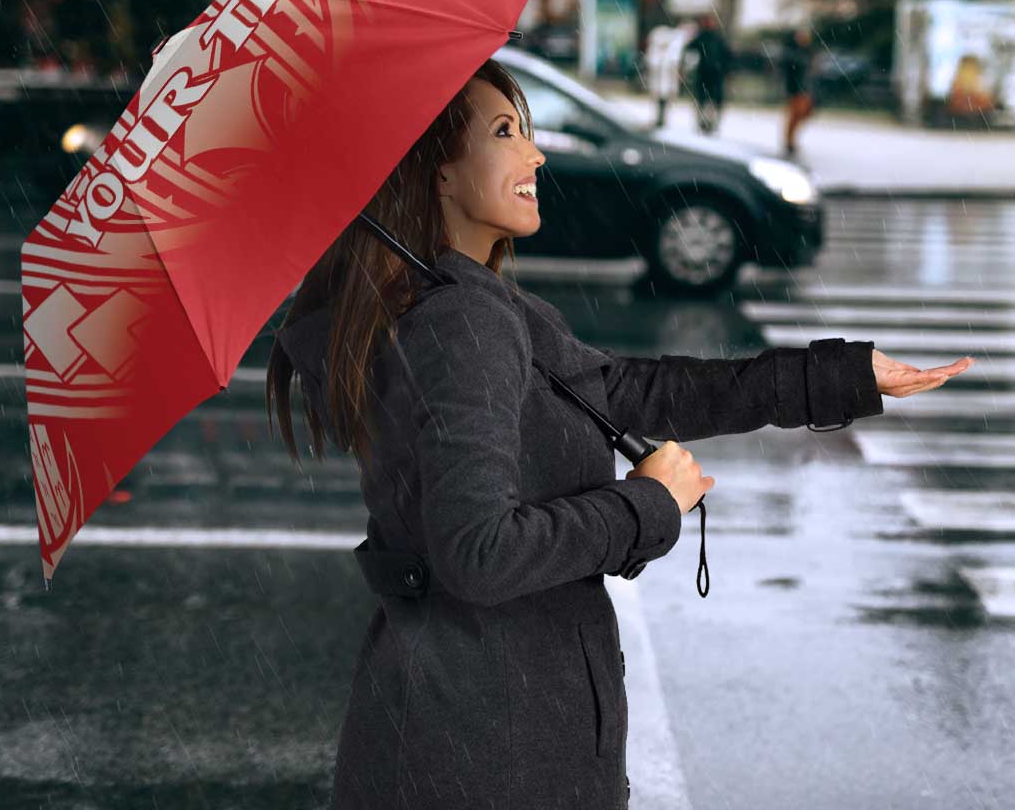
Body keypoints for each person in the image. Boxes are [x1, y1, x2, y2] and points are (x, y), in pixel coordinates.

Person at [266, 57, 965, 810]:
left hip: (466, 730)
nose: (535, 154)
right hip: (490, 749)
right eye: (505, 132)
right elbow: (478, 554)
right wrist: (647, 505)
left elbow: (630, 391)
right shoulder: (460, 323)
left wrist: (841, 377)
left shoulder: (465, 303)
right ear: (436, 171)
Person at [683, 12, 733, 135]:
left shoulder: (716, 38)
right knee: (704, 100)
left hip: (714, 74)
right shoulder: (703, 37)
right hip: (706, 74)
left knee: (711, 101)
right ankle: (704, 123)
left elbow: (727, 56)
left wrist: (726, 70)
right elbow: (689, 50)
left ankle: (710, 123)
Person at [781, 25, 817, 157]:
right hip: (796, 89)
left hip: (805, 89)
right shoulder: (793, 53)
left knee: (803, 114)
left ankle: (791, 140)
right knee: (795, 115)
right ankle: (789, 141)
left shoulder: (808, 52)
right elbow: (790, 72)